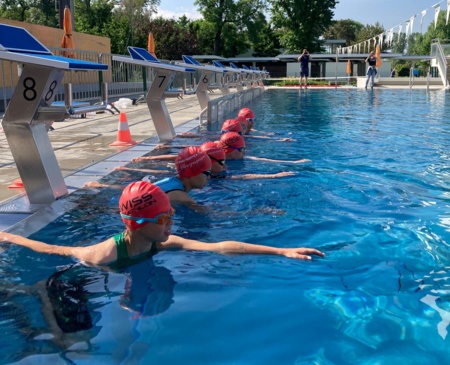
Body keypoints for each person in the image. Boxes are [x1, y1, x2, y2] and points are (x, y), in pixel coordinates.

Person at [0, 181, 325, 267]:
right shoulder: (101, 256)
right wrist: (11, 238)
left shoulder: (161, 241)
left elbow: (218, 247)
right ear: (136, 223)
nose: (171, 224)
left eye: (171, 215)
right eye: (164, 219)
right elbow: (55, 249)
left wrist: (281, 251)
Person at [153, 146, 212, 211]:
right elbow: (207, 212)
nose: (209, 177)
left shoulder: (170, 182)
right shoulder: (180, 196)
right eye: (207, 173)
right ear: (191, 173)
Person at [200, 141, 296, 180]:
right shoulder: (213, 176)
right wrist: (273, 176)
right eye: (222, 162)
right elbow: (243, 176)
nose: (225, 166)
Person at [220, 132, 310, 164]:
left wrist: (293, 162)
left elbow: (262, 159)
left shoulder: (240, 157)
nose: (244, 152)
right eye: (241, 149)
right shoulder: (216, 160)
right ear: (230, 150)